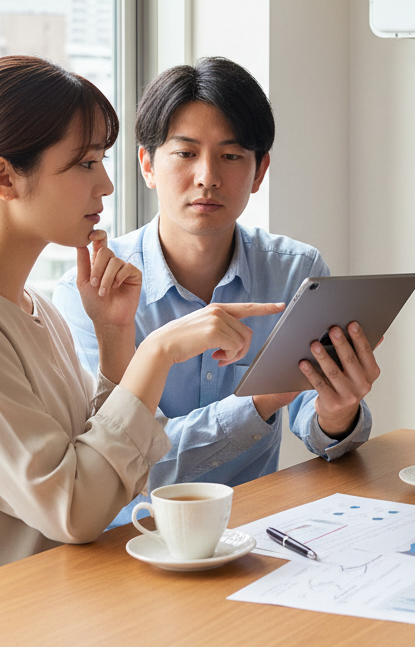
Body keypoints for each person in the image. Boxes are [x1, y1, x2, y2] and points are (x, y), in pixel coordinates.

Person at [0, 56, 275, 607]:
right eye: (86, 163)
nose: (106, 184)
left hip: (39, 606)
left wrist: (115, 340)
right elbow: (76, 509)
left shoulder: (30, 306)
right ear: (3, 178)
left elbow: (100, 469)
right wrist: (156, 350)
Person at [53, 57, 379, 528]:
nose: (207, 176)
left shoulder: (297, 271)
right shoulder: (91, 295)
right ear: (147, 164)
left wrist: (339, 409)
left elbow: (323, 430)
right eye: (185, 154)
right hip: (129, 543)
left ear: (259, 170)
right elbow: (122, 464)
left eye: (231, 156)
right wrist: (261, 400)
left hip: (253, 533)